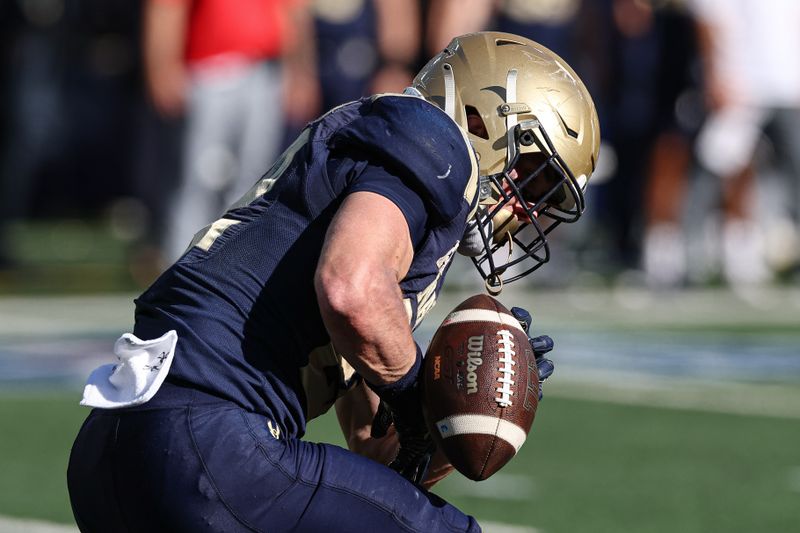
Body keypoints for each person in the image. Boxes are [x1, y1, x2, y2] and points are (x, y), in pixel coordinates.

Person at [67, 31, 600, 532]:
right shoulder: (435, 140)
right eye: (533, 177)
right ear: (484, 119)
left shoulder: (379, 191)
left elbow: (377, 449)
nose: (525, 209)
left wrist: (461, 415)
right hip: (209, 440)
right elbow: (349, 289)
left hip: (117, 447)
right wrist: (417, 387)